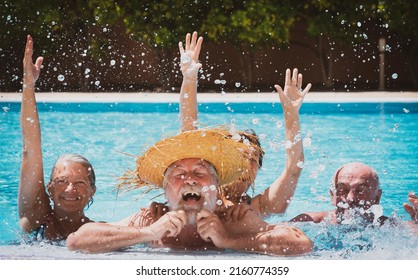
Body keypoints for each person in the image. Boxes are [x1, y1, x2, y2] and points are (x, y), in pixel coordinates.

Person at [66, 129, 313, 256]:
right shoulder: (150, 219)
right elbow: (77, 240)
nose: (189, 180)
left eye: (199, 172)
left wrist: (229, 241)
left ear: (215, 186)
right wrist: (147, 233)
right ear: (165, 190)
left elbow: (301, 243)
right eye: (179, 174)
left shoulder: (233, 219)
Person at [152, 31, 312, 217]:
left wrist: (291, 115)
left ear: (257, 170)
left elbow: (293, 170)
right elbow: (189, 131)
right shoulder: (200, 195)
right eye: (239, 157)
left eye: (252, 160)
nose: (245, 165)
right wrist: (189, 78)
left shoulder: (259, 207)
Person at [19, 35, 96, 240]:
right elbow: (30, 150)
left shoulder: (101, 232)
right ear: (49, 189)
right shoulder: (35, 216)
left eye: (80, 182)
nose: (70, 189)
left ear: (92, 191)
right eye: (62, 181)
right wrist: (28, 85)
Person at [290, 162, 387, 225]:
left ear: (377, 197)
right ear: (333, 196)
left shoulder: (392, 228)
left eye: (361, 190)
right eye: (342, 189)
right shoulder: (311, 222)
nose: (350, 198)